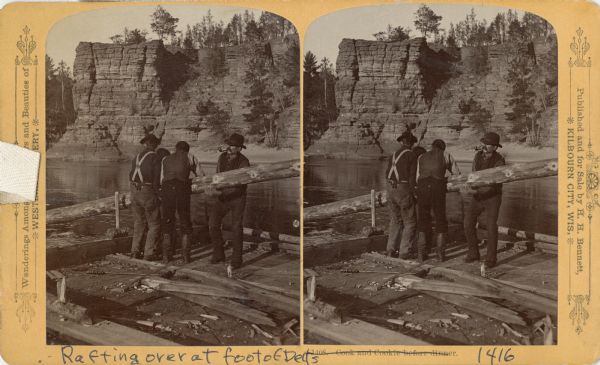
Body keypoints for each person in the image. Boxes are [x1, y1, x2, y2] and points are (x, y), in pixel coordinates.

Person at [462, 132, 505, 268]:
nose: (485, 146)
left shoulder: (499, 160)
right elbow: (474, 174)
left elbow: (495, 183)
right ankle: (473, 253)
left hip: (493, 196)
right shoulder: (477, 156)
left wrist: (477, 190)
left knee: (491, 226)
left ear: (495, 147)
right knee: (468, 222)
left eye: (489, 144)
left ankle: (491, 259)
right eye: (485, 143)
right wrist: (470, 186)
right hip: (477, 196)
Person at [208, 133, 250, 269]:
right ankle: (219, 254)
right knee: (213, 224)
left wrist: (224, 191)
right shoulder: (221, 158)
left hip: (237, 197)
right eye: (229, 145)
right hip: (222, 197)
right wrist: (215, 190)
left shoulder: (244, 161)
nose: (230, 148)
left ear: (239, 148)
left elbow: (242, 184)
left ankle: (237, 260)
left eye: (233, 146)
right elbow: (217, 176)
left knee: (236, 227)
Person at [160, 141, 205, 263]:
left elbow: (161, 178)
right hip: (181, 189)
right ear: (187, 149)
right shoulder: (190, 157)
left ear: (176, 148)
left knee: (167, 220)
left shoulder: (165, 158)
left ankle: (166, 256)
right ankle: (185, 256)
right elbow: (201, 175)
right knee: (184, 220)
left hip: (167, 189)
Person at [415, 139, 456, 262]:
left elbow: (418, 176)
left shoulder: (421, 156)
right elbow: (457, 173)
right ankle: (440, 254)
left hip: (422, 188)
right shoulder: (446, 155)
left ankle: (421, 254)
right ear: (442, 148)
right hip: (437, 188)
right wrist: (446, 180)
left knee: (423, 219)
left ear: (432, 146)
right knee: (440, 219)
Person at [385, 131, 418, 259]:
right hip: (403, 189)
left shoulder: (393, 155)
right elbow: (412, 178)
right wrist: (413, 194)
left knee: (395, 220)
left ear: (401, 141)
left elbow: (387, 173)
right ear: (411, 143)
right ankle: (404, 252)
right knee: (410, 221)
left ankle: (390, 249)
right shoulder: (411, 155)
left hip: (390, 188)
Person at [129, 134, 162, 260]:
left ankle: (135, 251)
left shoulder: (136, 158)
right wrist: (158, 196)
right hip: (147, 191)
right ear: (154, 144)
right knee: (154, 223)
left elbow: (130, 175)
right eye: (156, 144)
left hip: (134, 190)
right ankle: (149, 253)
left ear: (145, 144)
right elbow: (156, 180)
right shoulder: (155, 157)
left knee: (139, 222)